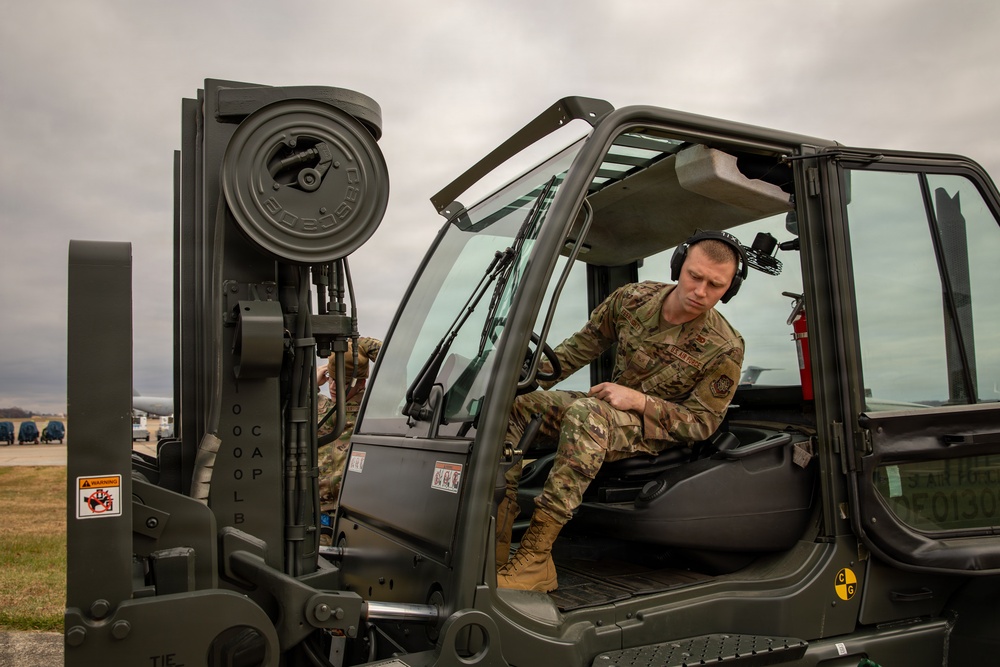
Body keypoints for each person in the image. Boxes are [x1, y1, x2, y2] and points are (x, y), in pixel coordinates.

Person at [496, 230, 747, 592]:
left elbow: (701, 423)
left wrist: (639, 401)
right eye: (695, 276)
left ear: (729, 289)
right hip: (604, 411)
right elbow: (573, 353)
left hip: (655, 431)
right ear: (679, 265)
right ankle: (497, 544)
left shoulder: (724, 346)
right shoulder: (633, 299)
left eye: (715, 285)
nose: (700, 292)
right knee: (519, 408)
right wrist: (511, 384)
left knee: (586, 415)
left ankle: (535, 558)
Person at [316, 336, 382, 531]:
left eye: (343, 381)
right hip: (315, 519)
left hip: (351, 520)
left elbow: (394, 362)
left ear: (361, 383)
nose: (334, 386)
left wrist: (360, 342)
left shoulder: (371, 412)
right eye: (332, 378)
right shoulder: (320, 407)